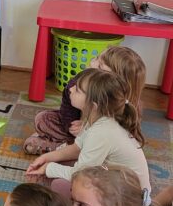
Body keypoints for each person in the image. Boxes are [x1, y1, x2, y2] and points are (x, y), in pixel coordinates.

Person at [25, 69, 149, 198]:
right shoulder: (97, 118)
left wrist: (48, 168)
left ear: (93, 105)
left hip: (129, 198)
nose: (71, 89)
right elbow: (77, 149)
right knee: (62, 167)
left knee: (60, 184)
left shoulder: (101, 132)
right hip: (115, 181)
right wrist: (47, 158)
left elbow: (80, 174)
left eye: (78, 90)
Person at [23, 45, 146, 156]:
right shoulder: (79, 83)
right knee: (42, 119)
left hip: (98, 142)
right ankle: (63, 146)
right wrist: (70, 124)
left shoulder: (127, 105)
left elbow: (121, 138)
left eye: (99, 66)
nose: (92, 63)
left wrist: (86, 129)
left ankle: (58, 147)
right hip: (75, 131)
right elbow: (67, 109)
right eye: (96, 58)